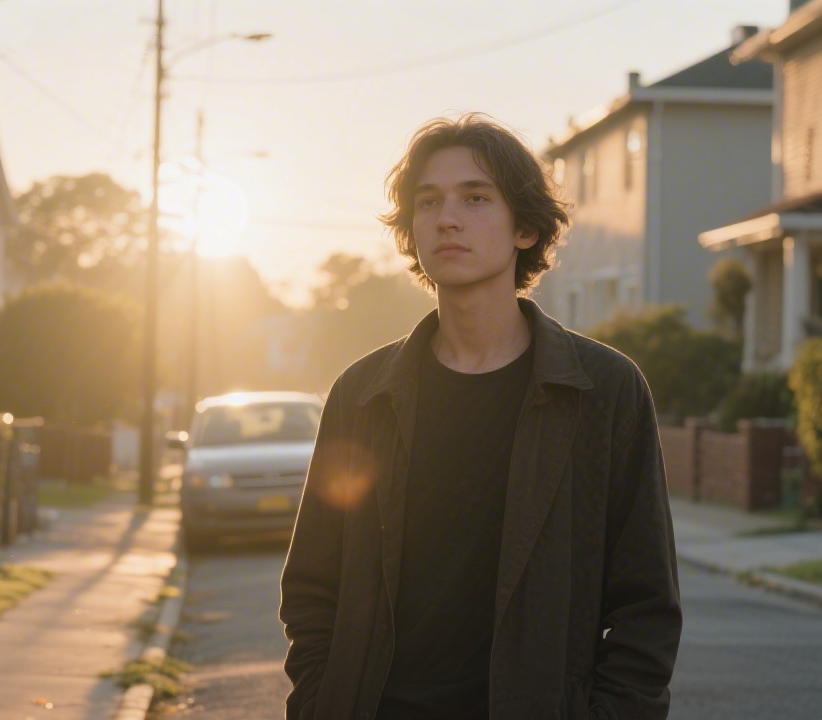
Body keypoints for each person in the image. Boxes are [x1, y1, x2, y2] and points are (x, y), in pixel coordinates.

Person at [279, 114, 681, 720]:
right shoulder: (362, 395)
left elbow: (646, 606)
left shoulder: (604, 391)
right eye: (428, 201)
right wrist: (319, 702)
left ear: (525, 227)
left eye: (475, 198)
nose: (447, 218)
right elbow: (312, 586)